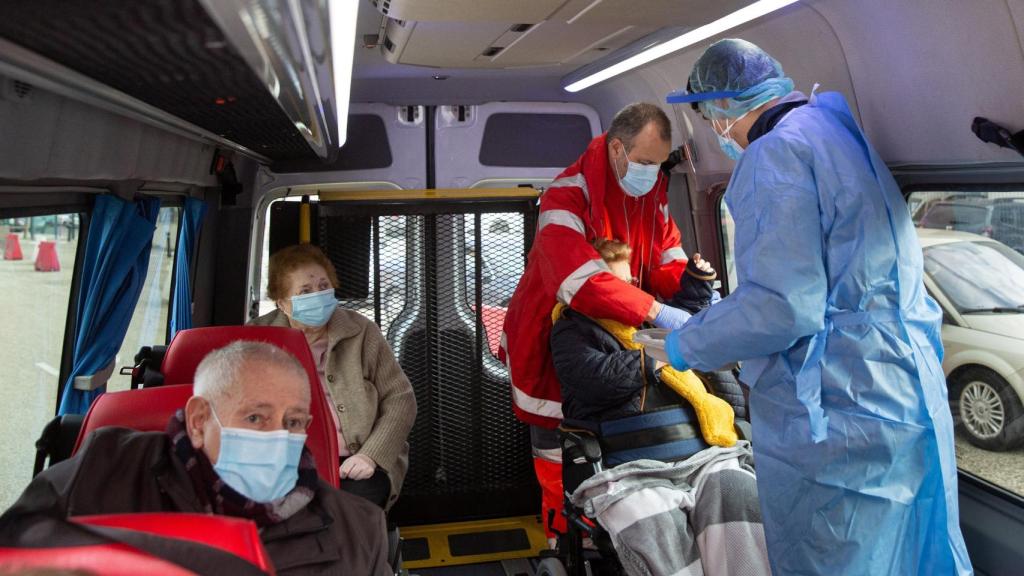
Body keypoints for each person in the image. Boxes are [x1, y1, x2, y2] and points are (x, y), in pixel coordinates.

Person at [660, 38, 973, 574]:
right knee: (916, 552)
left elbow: (781, 307)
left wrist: (684, 342)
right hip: (904, 387)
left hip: (840, 407)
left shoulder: (775, 154)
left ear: (723, 106)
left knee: (837, 553)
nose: (718, 128)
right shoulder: (837, 133)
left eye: (711, 112)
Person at [0, 341, 390, 575]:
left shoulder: (357, 527)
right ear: (200, 421)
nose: (277, 437)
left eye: (293, 422)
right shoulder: (101, 472)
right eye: (255, 417)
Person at [501, 102, 697, 541]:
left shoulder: (652, 193)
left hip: (616, 338)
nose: (652, 172)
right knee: (559, 461)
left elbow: (667, 256)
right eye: (645, 162)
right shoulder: (566, 196)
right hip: (550, 341)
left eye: (659, 163)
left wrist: (698, 286)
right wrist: (658, 312)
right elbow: (580, 279)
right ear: (616, 149)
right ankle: (561, 544)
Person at [550, 238, 768, 576]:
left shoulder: (648, 319)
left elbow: (691, 325)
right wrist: (652, 360)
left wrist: (697, 284)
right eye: (614, 286)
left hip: (704, 455)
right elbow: (592, 378)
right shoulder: (572, 330)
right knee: (656, 524)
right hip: (633, 467)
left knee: (739, 494)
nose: (625, 295)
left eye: (629, 285)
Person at [251, 243, 416, 511]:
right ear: (282, 303)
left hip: (356, 461)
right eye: (305, 291)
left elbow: (401, 399)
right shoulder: (256, 337)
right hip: (284, 463)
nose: (317, 295)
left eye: (323, 286)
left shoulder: (362, 331)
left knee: (347, 512)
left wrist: (371, 456)